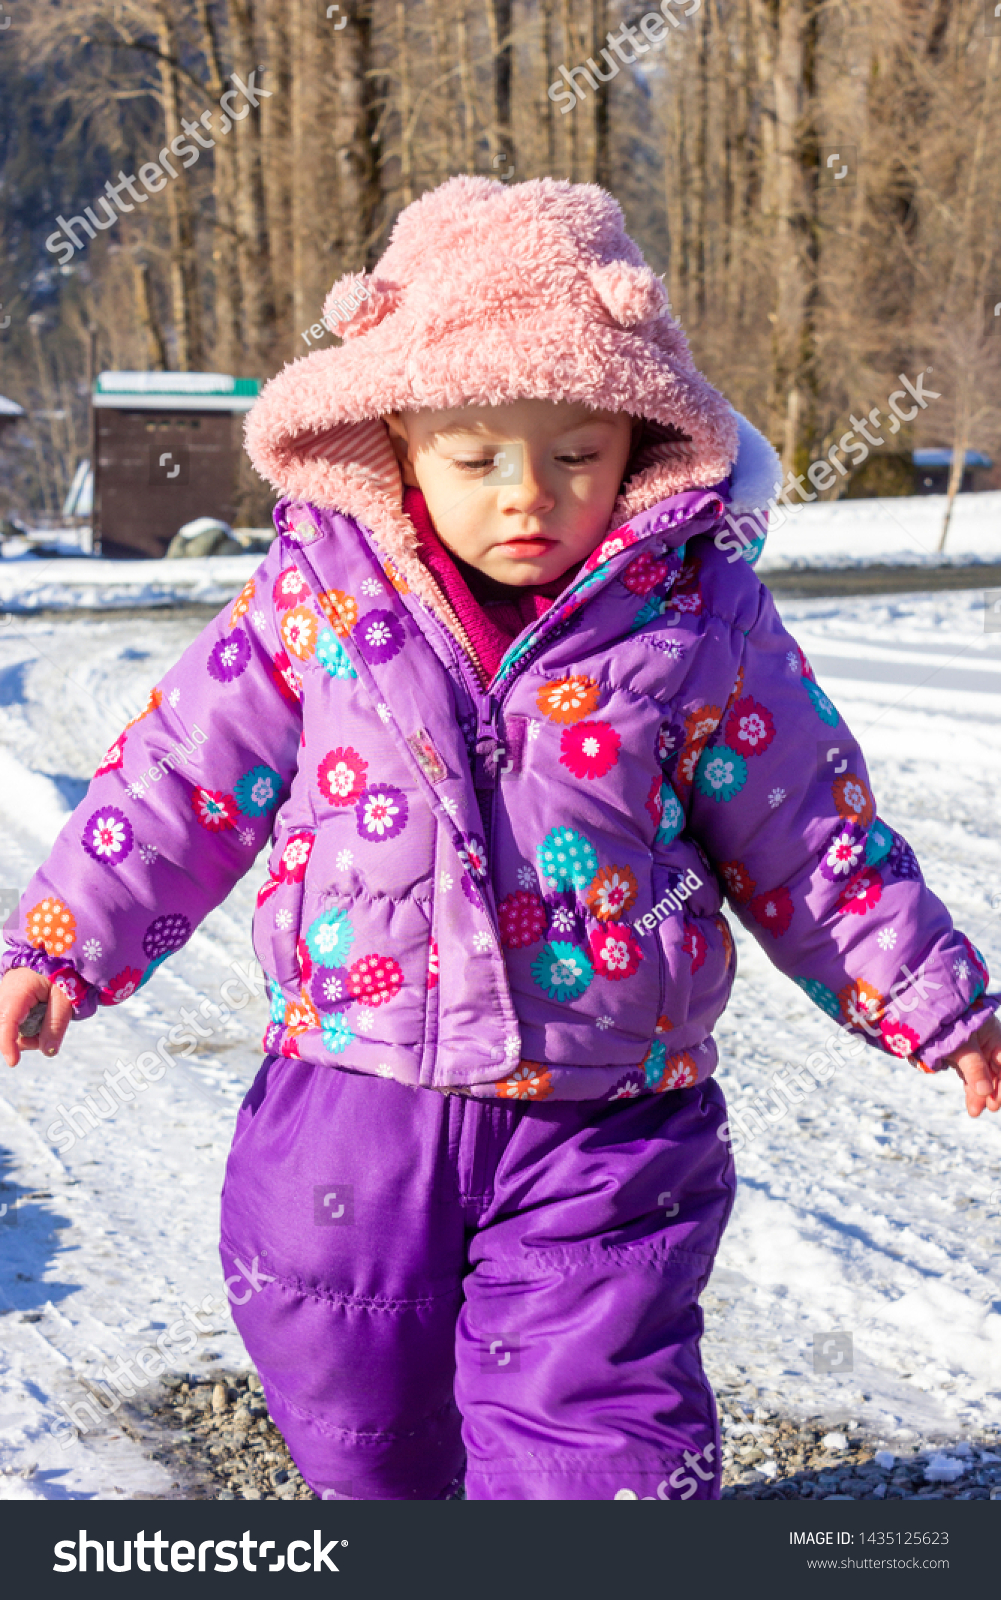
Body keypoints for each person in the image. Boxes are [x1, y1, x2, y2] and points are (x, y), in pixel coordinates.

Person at [1, 177, 998, 1503]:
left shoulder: (693, 617)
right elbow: (180, 781)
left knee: (601, 1431)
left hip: (607, 1120)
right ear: (392, 436)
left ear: (639, 441)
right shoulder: (318, 599)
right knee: (346, 1388)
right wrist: (62, 944)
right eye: (475, 457)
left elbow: (808, 830)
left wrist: (932, 998)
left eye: (575, 454)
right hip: (353, 1100)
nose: (527, 495)